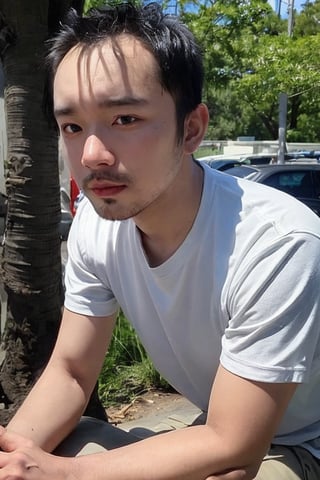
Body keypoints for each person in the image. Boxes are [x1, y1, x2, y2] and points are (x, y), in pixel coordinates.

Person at [0, 3, 320, 479]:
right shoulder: (97, 223)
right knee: (70, 438)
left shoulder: (278, 243)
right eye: (72, 126)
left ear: (191, 128)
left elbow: (232, 442)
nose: (91, 155)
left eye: (125, 119)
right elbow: (70, 371)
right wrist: (15, 456)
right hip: (218, 422)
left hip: (302, 443)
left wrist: (63, 474)